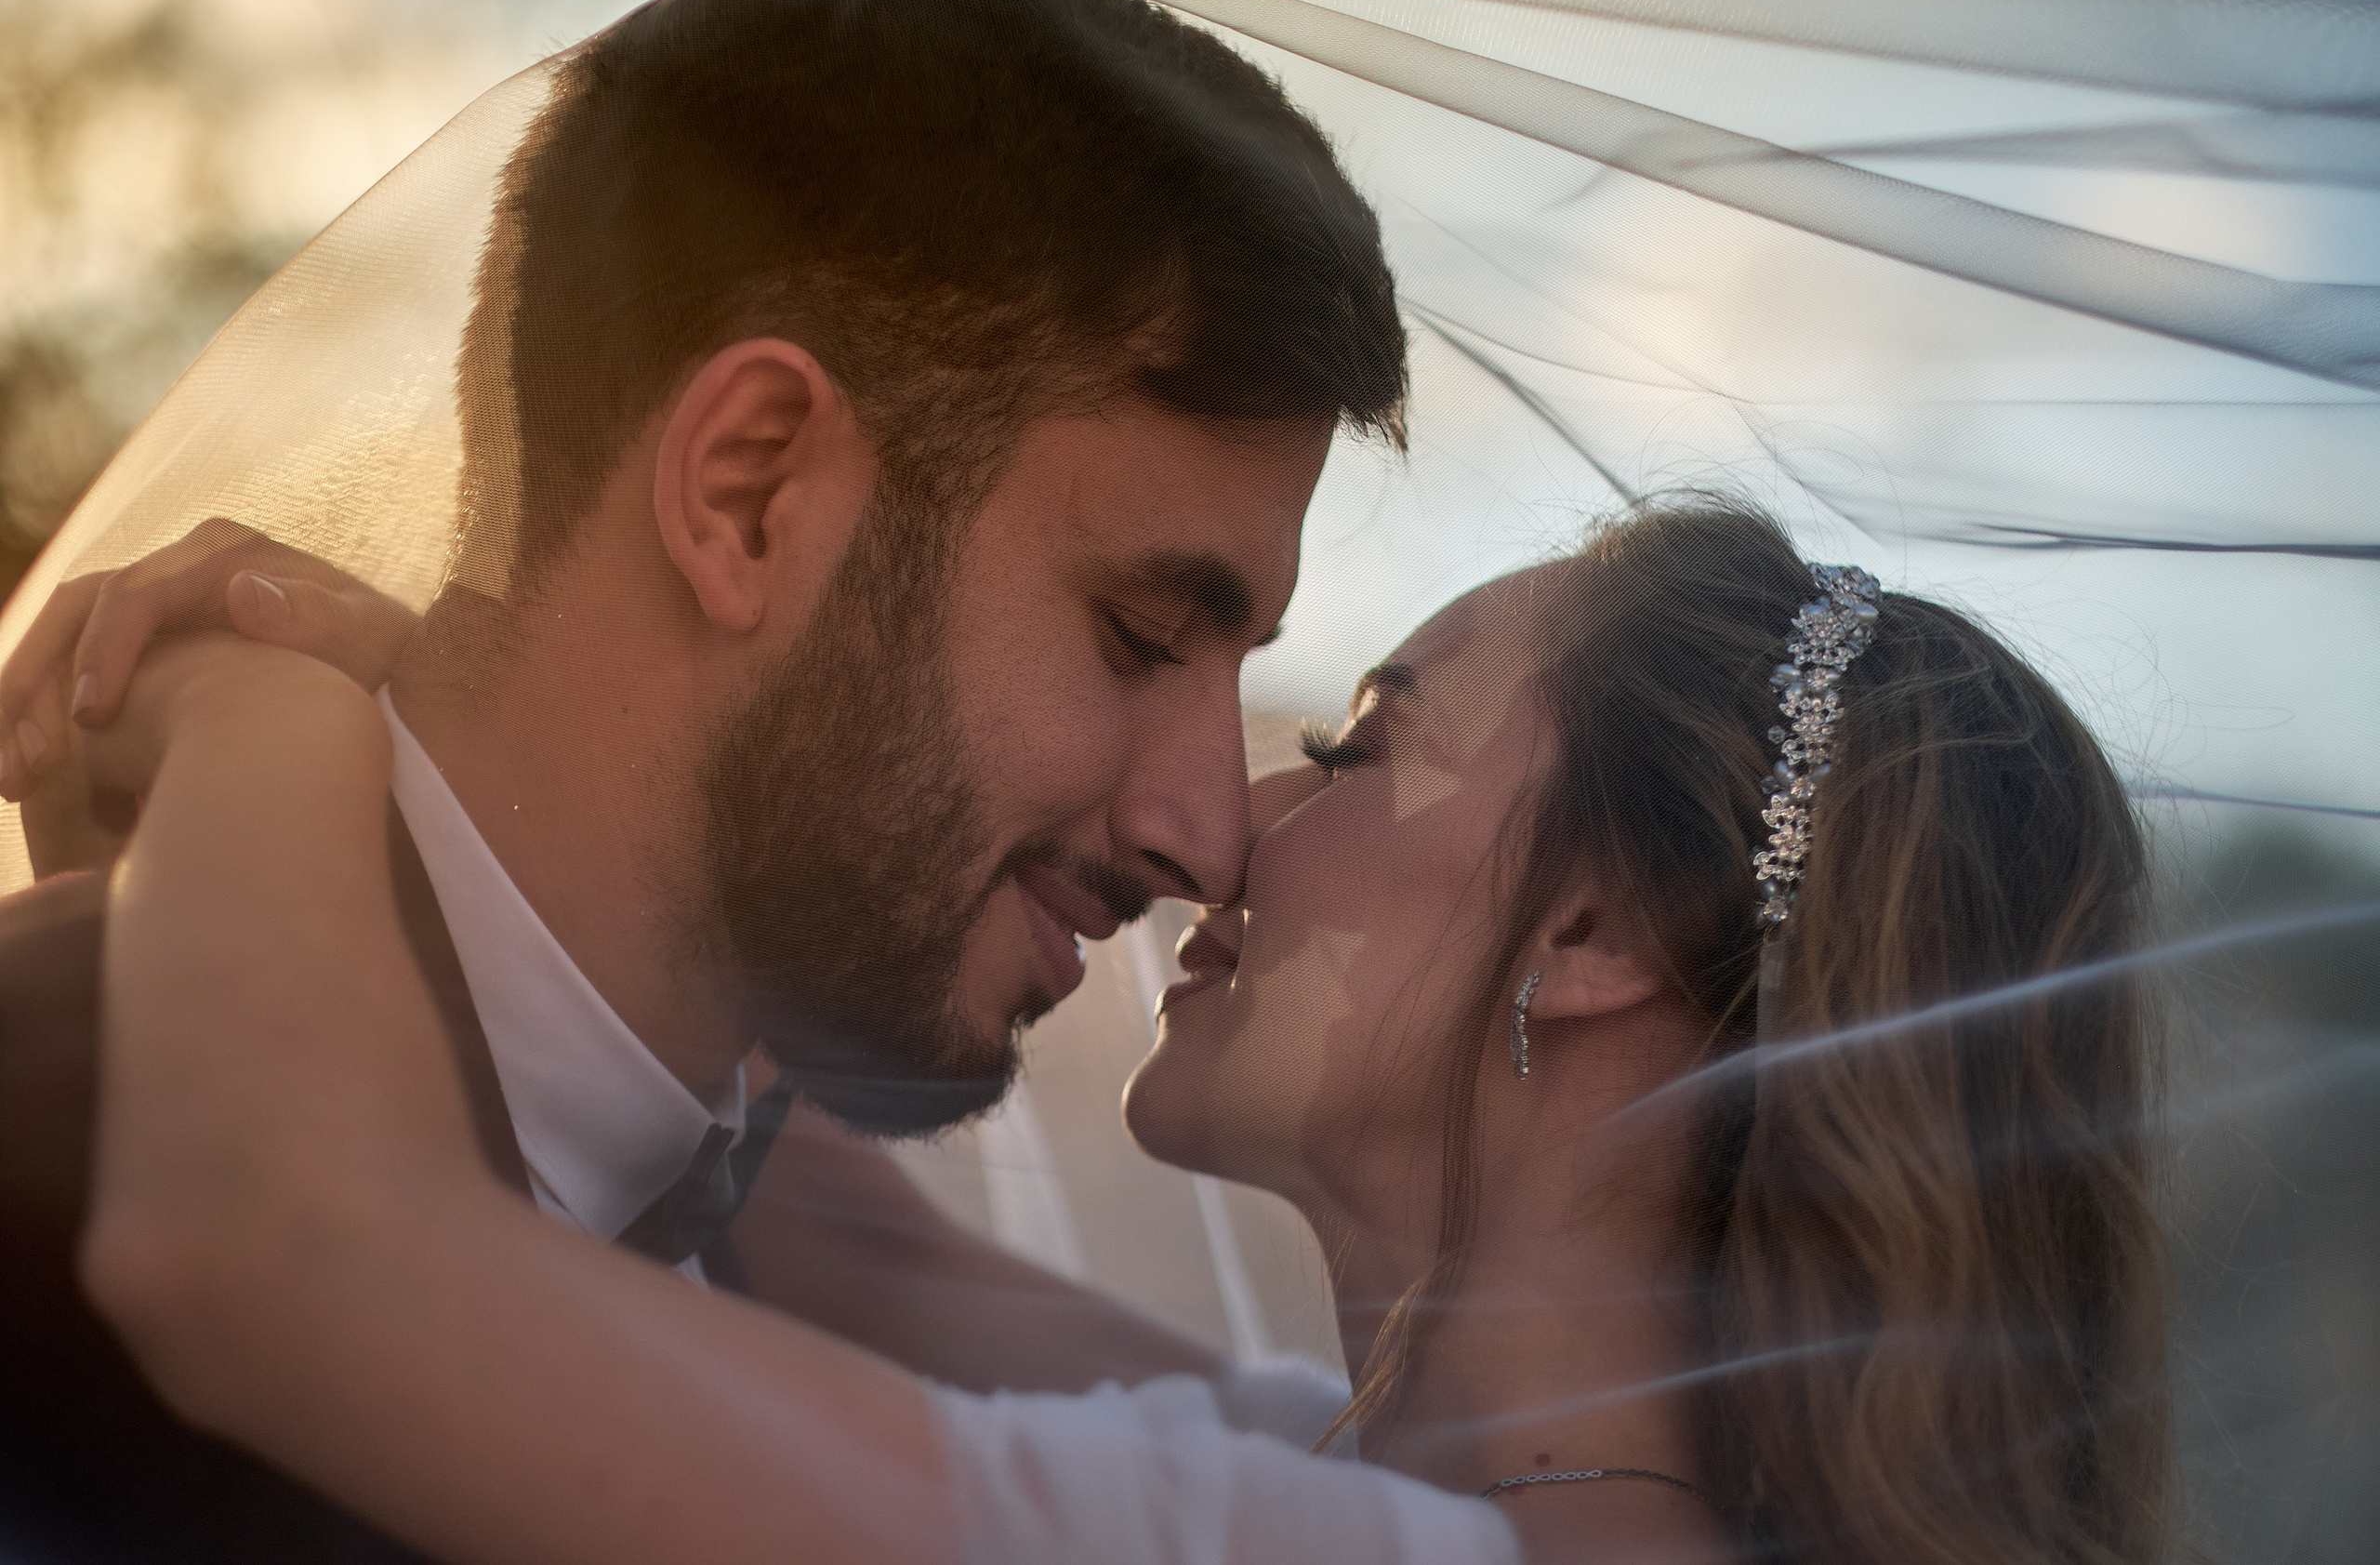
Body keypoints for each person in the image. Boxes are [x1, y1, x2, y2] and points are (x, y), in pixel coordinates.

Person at [66, 497, 2174, 1565]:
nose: (1223, 825)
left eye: (1363, 747)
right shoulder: (1349, 1458)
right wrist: (509, 734)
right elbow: (847, 1242)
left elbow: (267, 1244)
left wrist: (256, 711)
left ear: (1601, 923)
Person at [0, 0, 1406, 1556]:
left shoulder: (752, 1250)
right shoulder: (45, 1122)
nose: (1209, 836)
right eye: (1142, 637)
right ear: (746, 495)